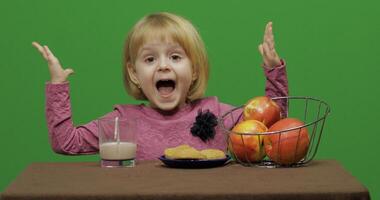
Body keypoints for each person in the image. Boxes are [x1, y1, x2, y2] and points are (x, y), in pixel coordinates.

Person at [32, 12, 288, 161]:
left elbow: (273, 128)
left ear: (195, 69)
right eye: (150, 59)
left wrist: (274, 71)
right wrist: (58, 85)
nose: (163, 66)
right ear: (134, 73)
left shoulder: (219, 114)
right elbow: (66, 142)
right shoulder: (123, 122)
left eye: (175, 57)